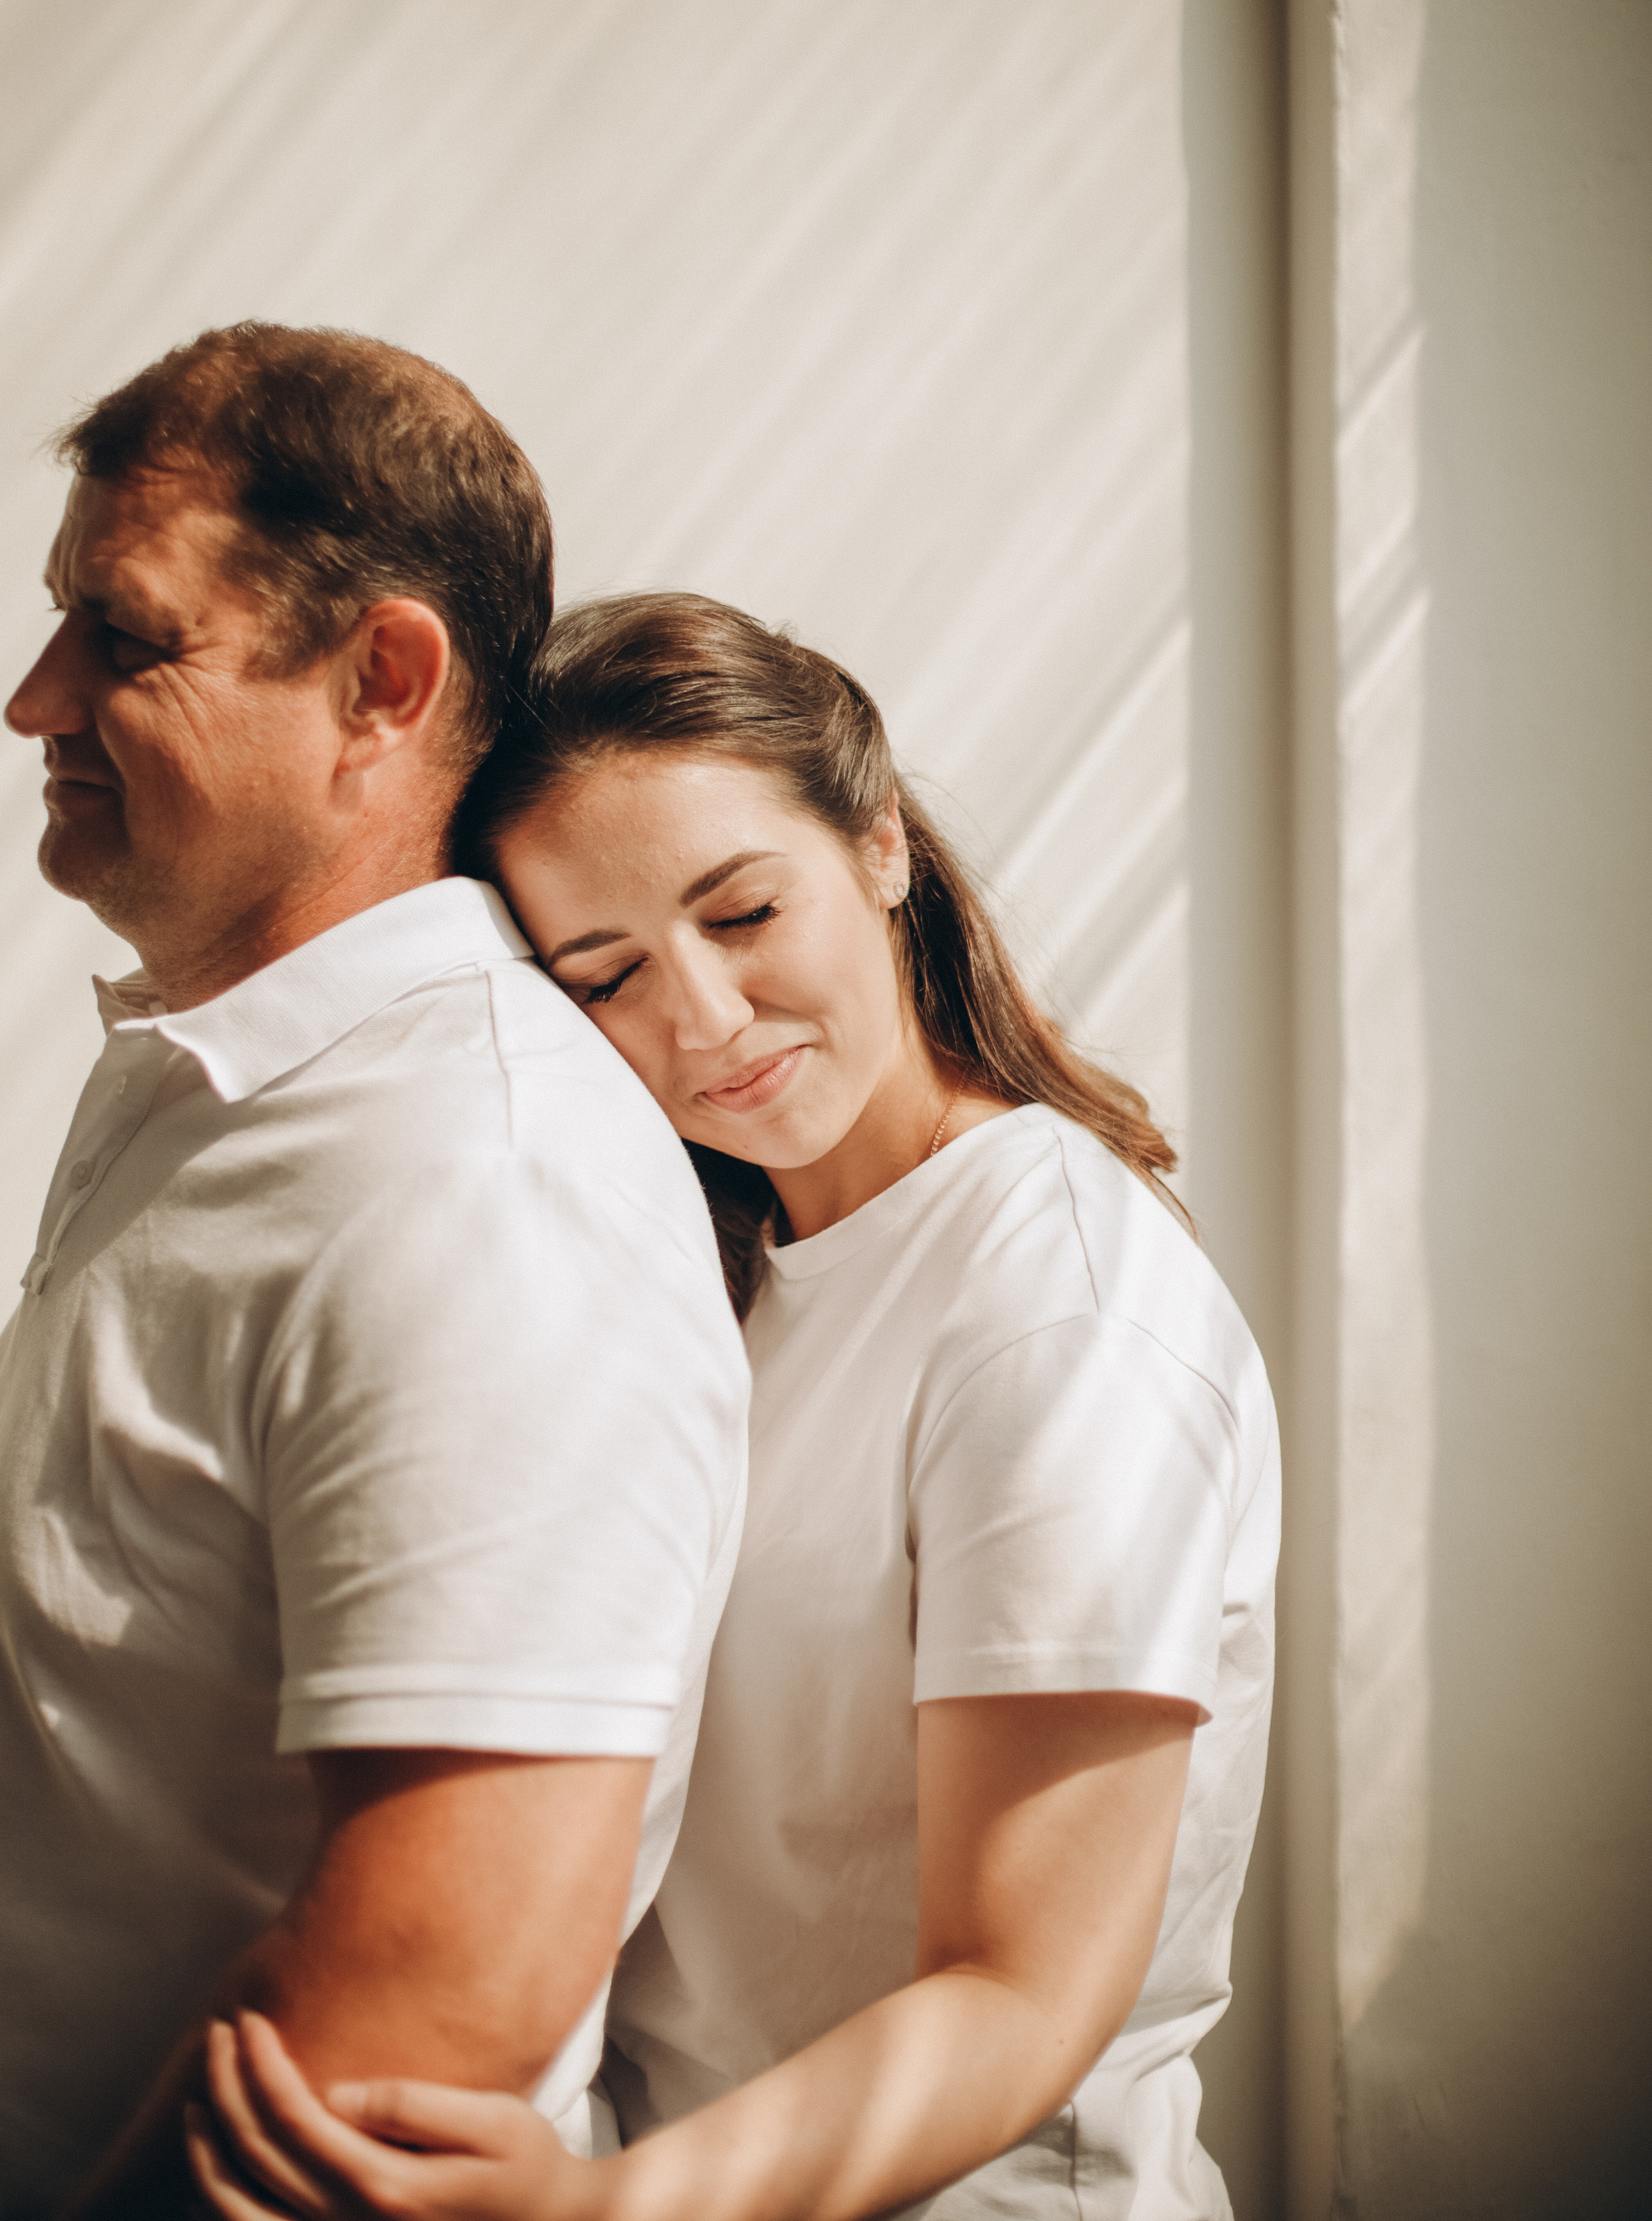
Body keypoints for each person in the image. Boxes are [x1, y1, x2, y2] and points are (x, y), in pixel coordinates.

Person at [195, 591, 1280, 2221]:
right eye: (607, 971)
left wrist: (601, 2209)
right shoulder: (714, 1273)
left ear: (882, 846)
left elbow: (1022, 1993)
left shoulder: (1061, 1308)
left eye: (743, 913)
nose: (699, 1021)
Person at [0, 351, 747, 2219]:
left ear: (381, 685)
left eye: (121, 639)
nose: (28, 700)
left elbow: (435, 2002)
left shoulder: (484, 1183)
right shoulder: (227, 1079)